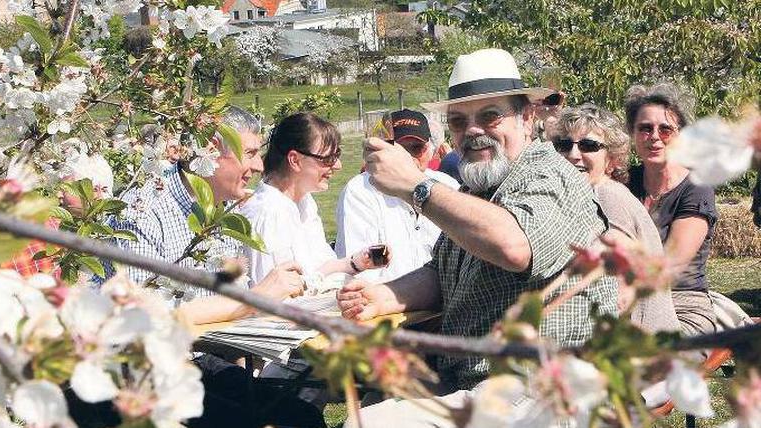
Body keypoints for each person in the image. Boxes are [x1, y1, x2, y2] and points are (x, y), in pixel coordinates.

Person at [336, 48, 618, 397]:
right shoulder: (480, 189)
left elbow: (514, 247)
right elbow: (442, 273)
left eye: (490, 117)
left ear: (527, 119)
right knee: (375, 396)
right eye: (458, 121)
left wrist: (415, 186)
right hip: (476, 380)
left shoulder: (551, 174)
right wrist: (381, 297)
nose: (473, 131)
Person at [110, 106, 324, 428]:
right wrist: (256, 298)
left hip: (193, 359)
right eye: (250, 153)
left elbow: (228, 305)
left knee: (302, 417)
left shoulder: (221, 211)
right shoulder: (144, 209)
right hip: (137, 372)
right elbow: (147, 318)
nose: (258, 165)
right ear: (211, 150)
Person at [552, 103, 679, 333]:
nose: (573, 155)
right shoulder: (591, 194)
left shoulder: (606, 196)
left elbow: (619, 295)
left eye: (588, 146)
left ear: (612, 159)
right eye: (564, 145)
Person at [241, 112, 382, 288]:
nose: (338, 165)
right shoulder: (268, 213)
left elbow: (319, 269)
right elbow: (273, 297)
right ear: (295, 160)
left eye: (337, 155)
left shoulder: (304, 202)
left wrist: (357, 262)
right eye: (328, 158)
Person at [624, 83, 719, 337]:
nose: (654, 136)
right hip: (624, 305)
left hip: (682, 307)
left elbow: (669, 267)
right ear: (632, 134)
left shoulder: (696, 188)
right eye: (645, 128)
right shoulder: (623, 182)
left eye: (665, 129)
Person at [336, 109, 459, 282]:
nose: (407, 158)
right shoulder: (360, 190)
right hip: (385, 303)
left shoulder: (449, 186)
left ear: (431, 149)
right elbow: (361, 272)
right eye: (399, 150)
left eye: (416, 148)